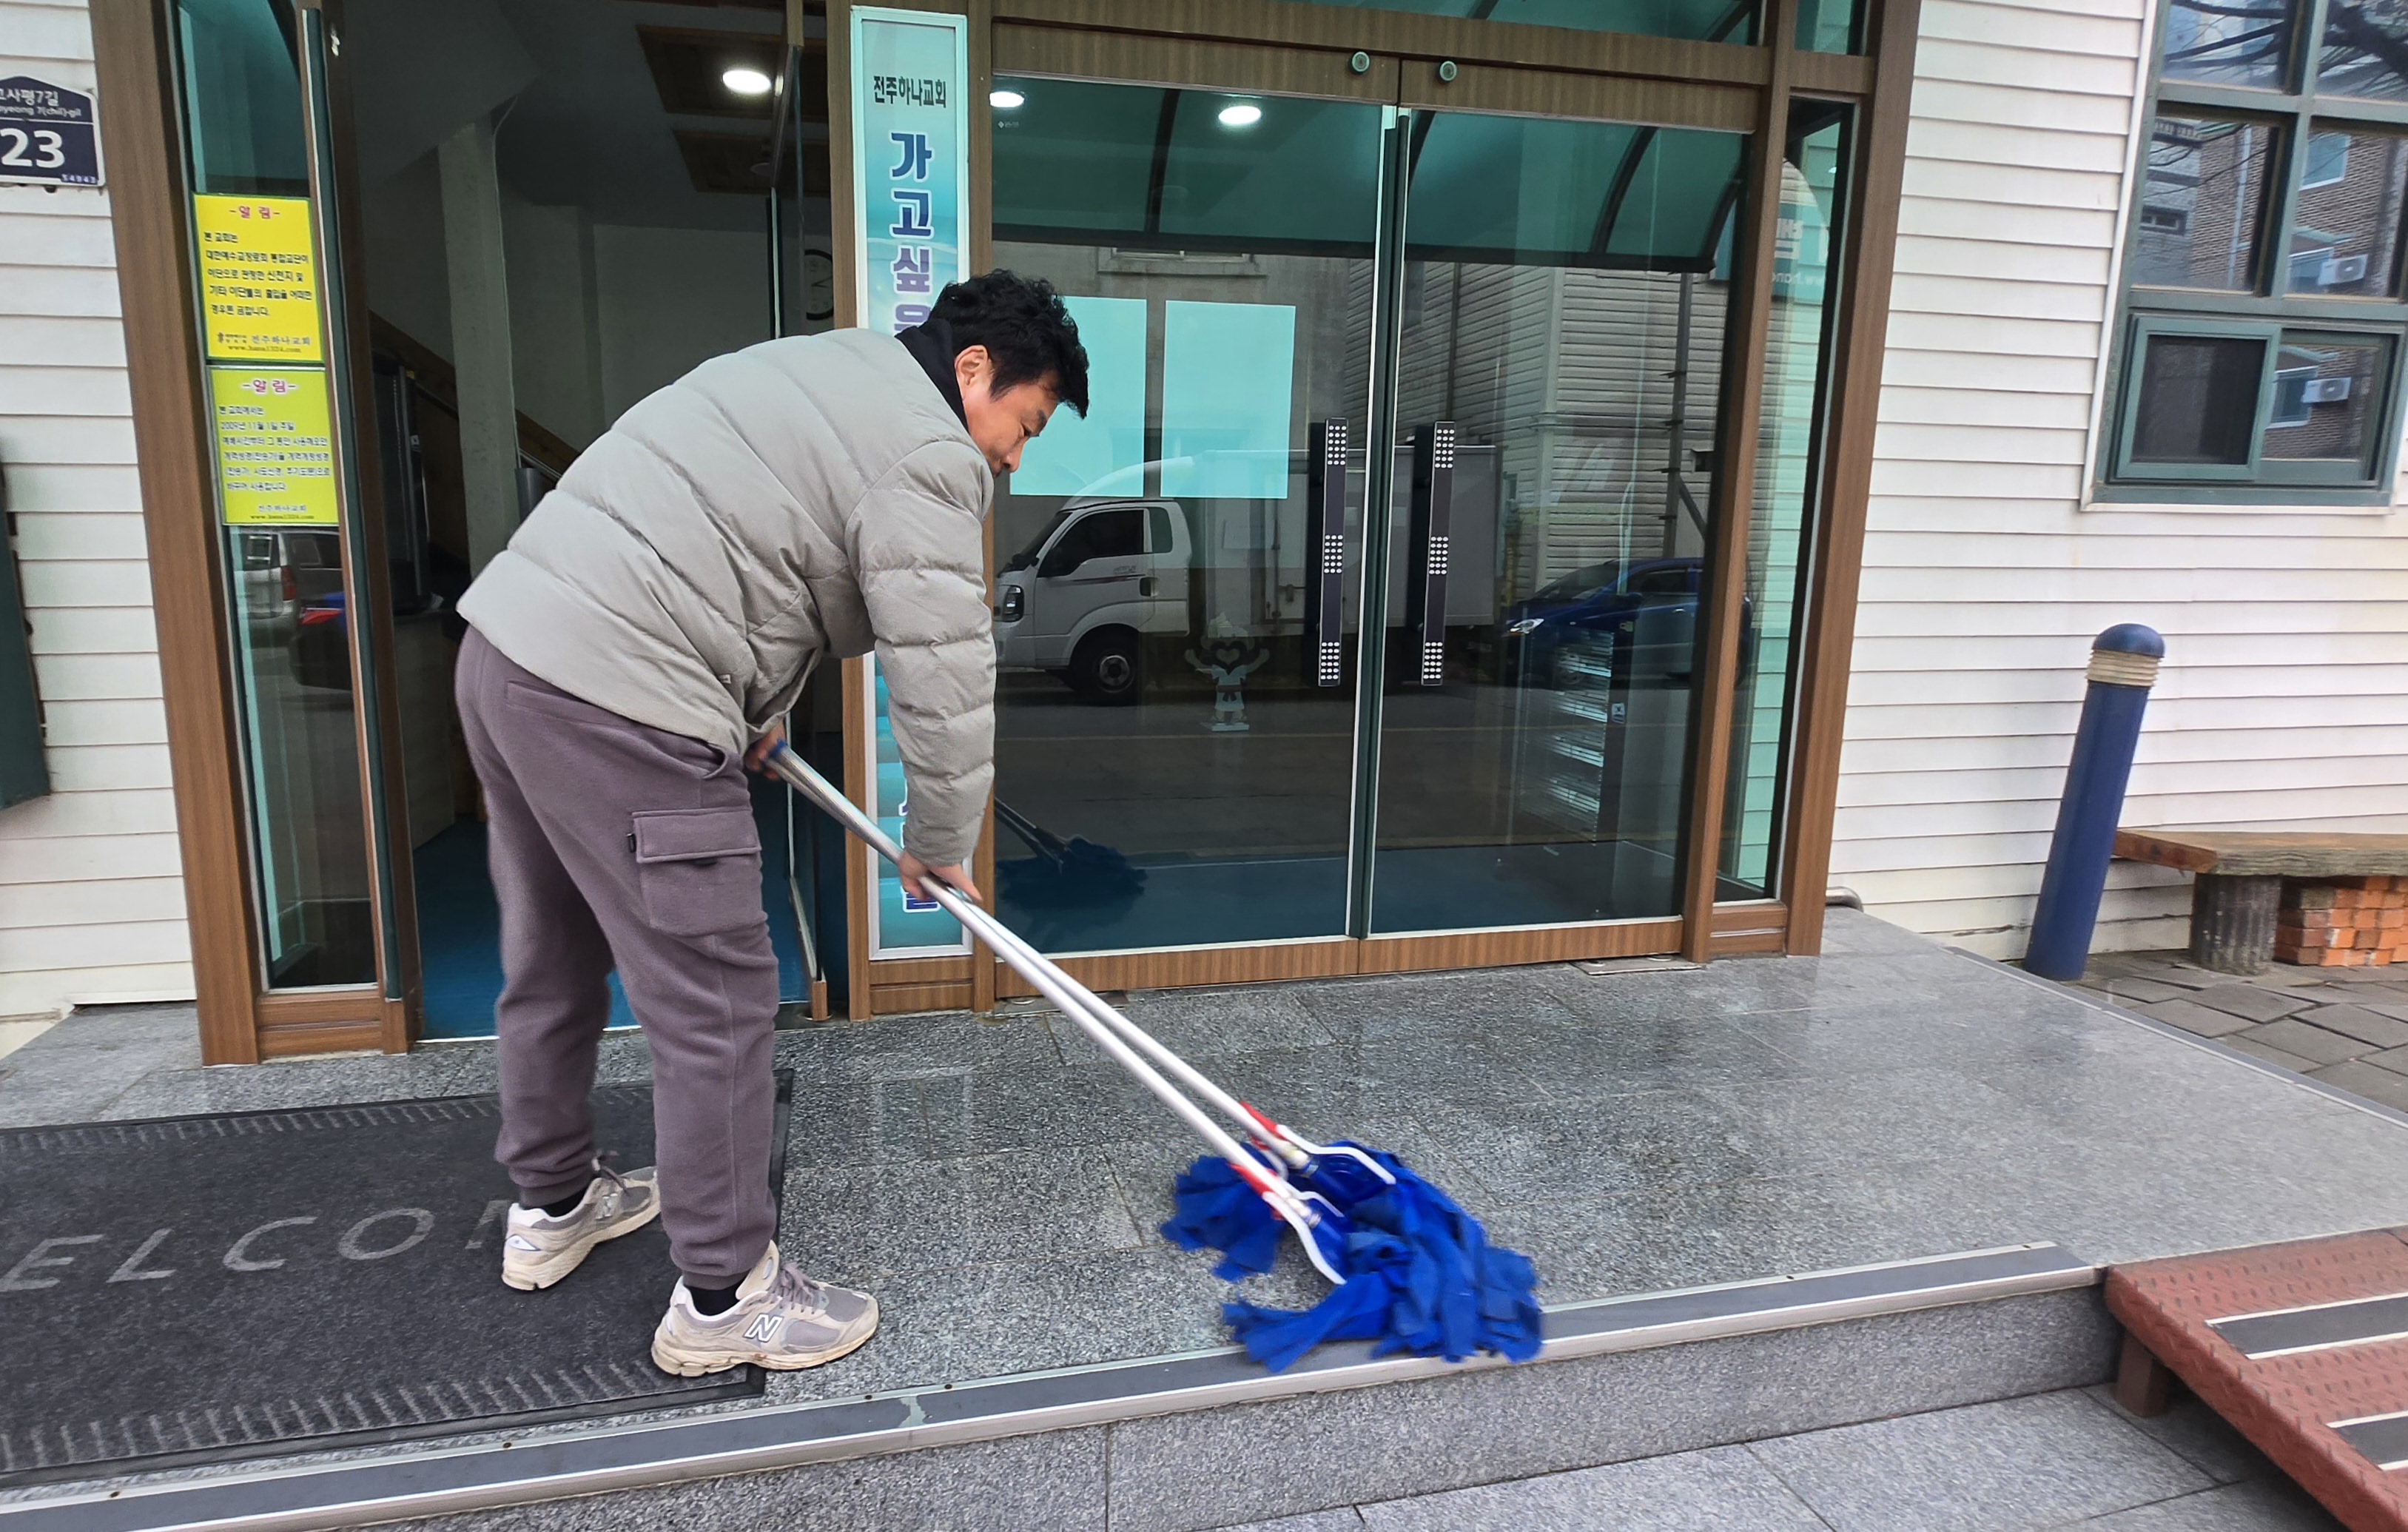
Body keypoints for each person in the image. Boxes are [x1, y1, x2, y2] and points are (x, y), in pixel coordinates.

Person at [451, 272, 1088, 1376]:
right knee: (717, 997)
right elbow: (941, 674)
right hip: (625, 701)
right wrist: (940, 842)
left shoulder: (825, 367)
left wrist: (753, 706)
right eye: (1023, 426)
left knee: (550, 951)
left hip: (508, 656)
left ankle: (553, 1204)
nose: (1013, 459)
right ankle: (722, 1295)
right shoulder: (929, 450)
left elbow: (743, 546)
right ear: (974, 370)